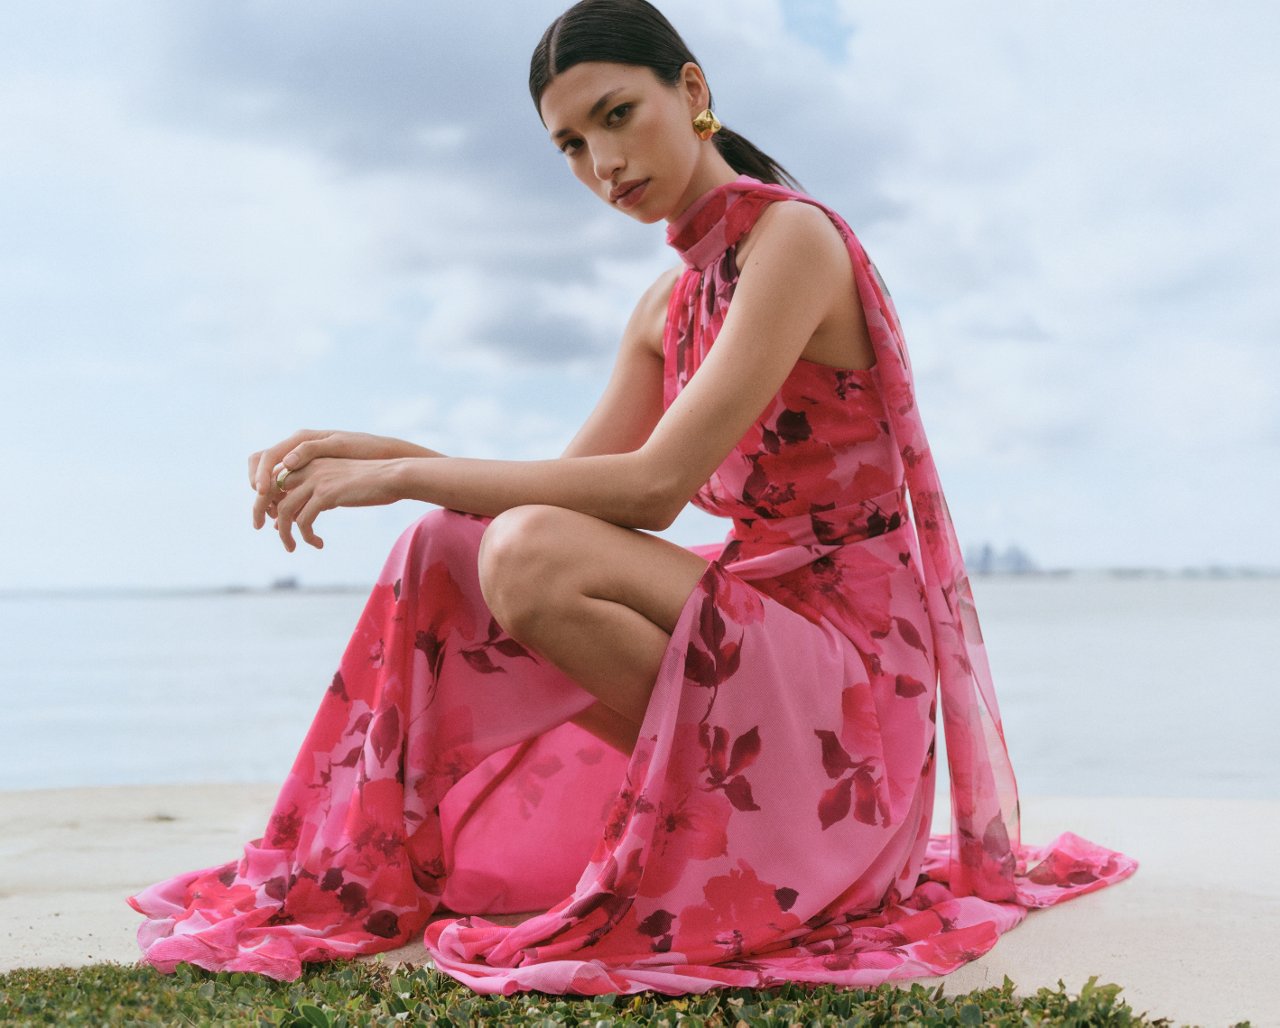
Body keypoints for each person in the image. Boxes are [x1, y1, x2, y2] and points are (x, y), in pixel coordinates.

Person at [127, 0, 1138, 996]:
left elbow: (650, 487)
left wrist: (398, 473)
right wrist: (402, 456)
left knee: (516, 551)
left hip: (855, 685)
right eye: (569, 144)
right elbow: (574, 506)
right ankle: (692, 818)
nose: (600, 162)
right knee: (454, 547)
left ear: (690, 91)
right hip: (763, 647)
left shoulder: (793, 241)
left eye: (617, 115)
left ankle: (774, 830)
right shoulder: (664, 302)